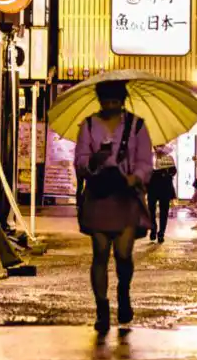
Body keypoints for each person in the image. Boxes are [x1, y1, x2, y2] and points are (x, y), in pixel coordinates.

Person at [74, 81, 153, 334]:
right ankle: (102, 309)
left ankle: (124, 291)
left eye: (114, 100)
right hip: (98, 193)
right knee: (99, 251)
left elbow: (145, 161)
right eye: (105, 100)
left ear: (122, 100)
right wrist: (93, 161)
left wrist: (136, 177)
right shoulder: (88, 125)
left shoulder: (136, 125)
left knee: (123, 253)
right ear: (99, 100)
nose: (110, 105)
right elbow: (80, 162)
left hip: (125, 194)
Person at [147, 146, 177, 243]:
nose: (158, 148)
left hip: (165, 187)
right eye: (157, 146)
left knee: (164, 211)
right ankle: (153, 229)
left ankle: (161, 233)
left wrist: (165, 168)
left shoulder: (168, 157)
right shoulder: (149, 157)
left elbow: (173, 171)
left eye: (161, 146)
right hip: (152, 187)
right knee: (151, 209)